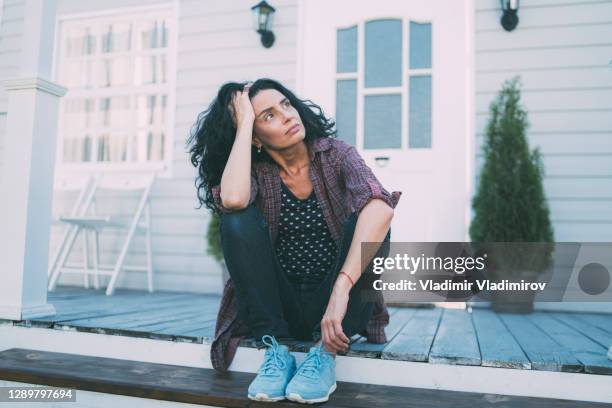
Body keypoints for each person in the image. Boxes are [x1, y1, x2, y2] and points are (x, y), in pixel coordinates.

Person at [188, 78, 401, 403]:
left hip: (337, 307)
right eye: (268, 116)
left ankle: (324, 354)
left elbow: (380, 209)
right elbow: (232, 199)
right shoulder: (256, 172)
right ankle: (277, 351)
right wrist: (245, 123)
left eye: (286, 104)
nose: (287, 116)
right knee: (237, 218)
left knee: (372, 213)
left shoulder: (335, 155)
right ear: (256, 137)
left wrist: (341, 290)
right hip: (280, 308)